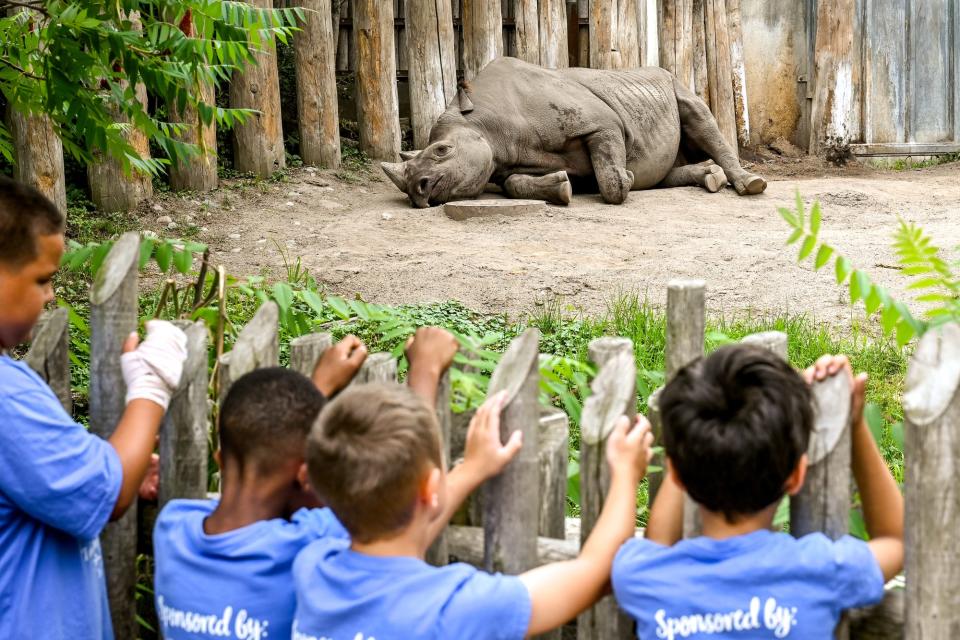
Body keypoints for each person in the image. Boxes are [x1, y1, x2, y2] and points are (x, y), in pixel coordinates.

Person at [152, 327, 459, 640]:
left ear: (220, 458)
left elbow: (268, 437)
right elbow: (401, 495)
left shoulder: (173, 526)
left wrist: (317, 387)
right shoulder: (306, 546)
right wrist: (425, 371)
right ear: (306, 477)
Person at [291, 381, 655, 639]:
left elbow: (391, 531)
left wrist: (470, 469)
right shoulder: (455, 607)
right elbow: (593, 572)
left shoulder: (310, 566)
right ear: (432, 490)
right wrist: (625, 475)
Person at [0, 176, 188, 639]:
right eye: (42, 279)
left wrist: (120, 462)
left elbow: (38, 475)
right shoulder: (6, 397)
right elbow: (110, 495)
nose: (50, 296)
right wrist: (151, 386)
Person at [613, 345, 904, 639]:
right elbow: (897, 540)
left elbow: (657, 542)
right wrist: (853, 424)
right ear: (796, 476)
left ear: (674, 474)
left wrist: (630, 475)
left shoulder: (646, 576)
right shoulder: (819, 571)